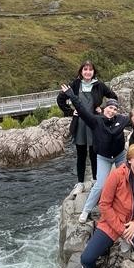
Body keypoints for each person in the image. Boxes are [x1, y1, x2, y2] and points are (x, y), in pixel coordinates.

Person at [72, 142, 134, 268]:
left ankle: (131, 240)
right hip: (113, 222)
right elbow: (104, 204)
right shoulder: (117, 175)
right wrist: (122, 231)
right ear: (129, 160)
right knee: (87, 258)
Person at [60, 86, 130, 224]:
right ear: (104, 109)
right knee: (100, 184)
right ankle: (86, 210)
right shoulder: (96, 121)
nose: (112, 111)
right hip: (103, 157)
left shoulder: (121, 120)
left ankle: (125, 207)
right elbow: (82, 110)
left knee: (126, 181)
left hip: (120, 155)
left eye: (115, 109)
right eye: (110, 108)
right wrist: (71, 95)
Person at [57, 61, 117, 192]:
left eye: (90, 69)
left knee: (94, 153)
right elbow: (60, 99)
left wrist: (103, 109)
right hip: (80, 124)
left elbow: (113, 97)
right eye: (85, 69)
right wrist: (70, 112)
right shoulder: (75, 84)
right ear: (81, 71)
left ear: (94, 72)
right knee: (81, 154)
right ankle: (80, 183)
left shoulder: (99, 85)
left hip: (95, 123)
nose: (88, 72)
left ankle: (95, 180)